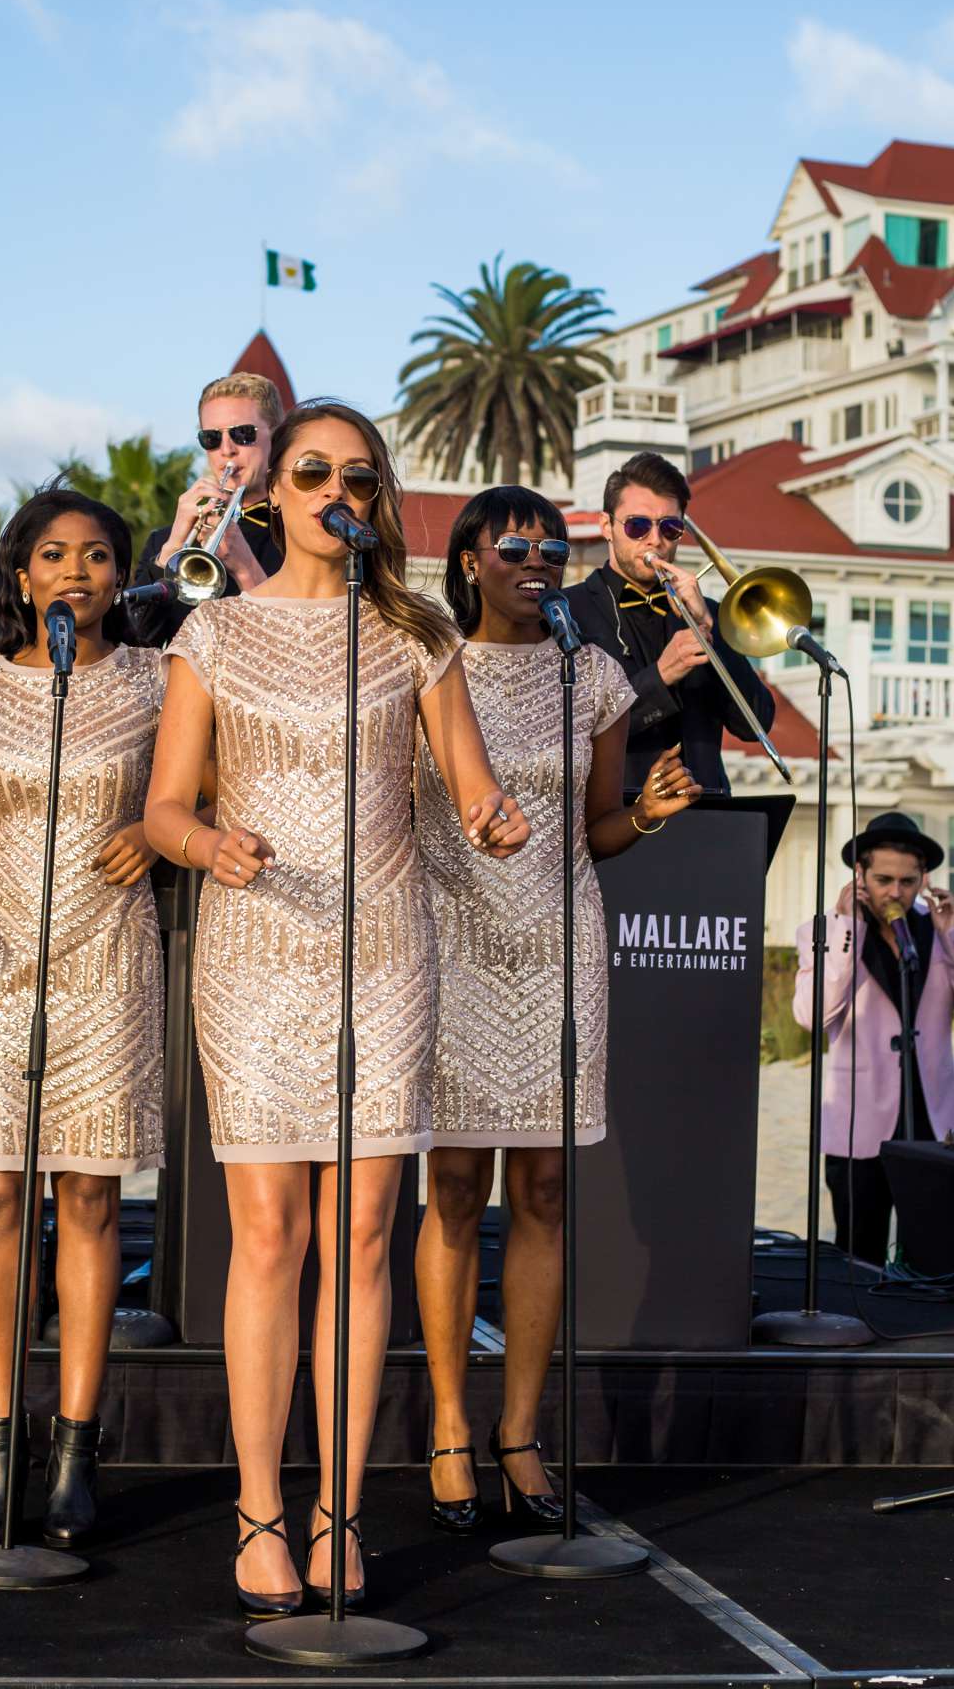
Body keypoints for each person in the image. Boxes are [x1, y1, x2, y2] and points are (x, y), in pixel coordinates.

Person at [144, 400, 530, 1616]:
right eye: (311, 472)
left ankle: (342, 1510)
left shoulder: (413, 636)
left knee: (366, 1236)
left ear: (374, 501)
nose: (333, 492)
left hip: (385, 953)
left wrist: (491, 815)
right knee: (270, 1237)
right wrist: (208, 841)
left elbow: (471, 787)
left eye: (356, 478)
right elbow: (159, 808)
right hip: (257, 949)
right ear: (272, 495)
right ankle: (261, 1508)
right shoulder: (212, 633)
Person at [414, 487, 699, 1533]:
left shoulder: (594, 676)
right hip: (446, 943)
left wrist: (647, 817)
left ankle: (520, 1434)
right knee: (450, 1190)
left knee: (539, 1192)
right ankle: (449, 1427)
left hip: (556, 945)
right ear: (470, 561)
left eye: (550, 546)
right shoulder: (425, 665)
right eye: (513, 546)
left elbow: (596, 831)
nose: (536, 560)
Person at [0, 485, 165, 1547]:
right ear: (20, 577)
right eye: (54, 554)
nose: (77, 571)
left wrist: (155, 832)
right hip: (2, 955)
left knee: (92, 1202)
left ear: (118, 575)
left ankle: (74, 1446)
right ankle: (2, 1438)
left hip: (109, 952)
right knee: (3, 1197)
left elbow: (206, 797)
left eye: (99, 555)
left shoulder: (159, 679)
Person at [796, 811, 954, 1265]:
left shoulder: (941, 933)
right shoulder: (827, 932)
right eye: (884, 879)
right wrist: (849, 931)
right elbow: (811, 1015)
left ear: (923, 879)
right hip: (858, 1125)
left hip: (931, 1121)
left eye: (907, 881)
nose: (896, 892)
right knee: (858, 1256)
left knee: (930, 1254)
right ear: (860, 875)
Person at [564, 452, 776, 796]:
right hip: (615, 821)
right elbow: (574, 729)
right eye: (637, 526)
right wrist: (660, 676)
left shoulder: (704, 613)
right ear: (607, 527)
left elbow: (756, 724)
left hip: (705, 818)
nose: (654, 540)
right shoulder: (569, 611)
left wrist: (711, 631)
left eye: (670, 527)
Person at [126, 372, 285, 647]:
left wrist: (246, 568)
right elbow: (134, 643)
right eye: (211, 438)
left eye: (243, 434)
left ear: (277, 435)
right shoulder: (162, 541)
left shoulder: (301, 534)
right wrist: (171, 548)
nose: (226, 449)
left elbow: (298, 644)